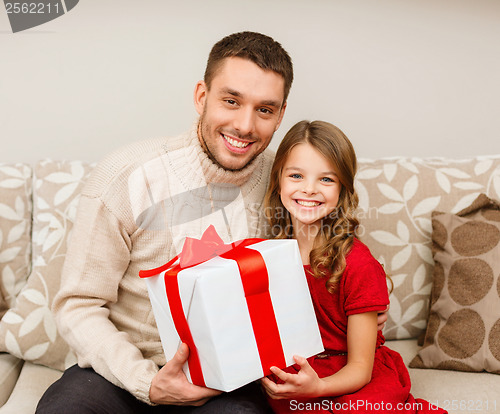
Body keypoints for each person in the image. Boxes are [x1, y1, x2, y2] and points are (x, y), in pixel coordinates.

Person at [36, 32, 388, 413]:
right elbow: (78, 304)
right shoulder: (126, 176)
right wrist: (146, 383)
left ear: (281, 114)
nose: (245, 125)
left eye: (265, 110)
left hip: (230, 382)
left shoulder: (288, 184)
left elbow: (331, 256)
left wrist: (366, 307)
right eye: (231, 101)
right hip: (122, 373)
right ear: (202, 96)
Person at [260, 120, 445, 414]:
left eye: (326, 179)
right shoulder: (267, 256)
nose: (309, 189)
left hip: (356, 373)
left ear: (343, 189)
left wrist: (318, 387)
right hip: (304, 371)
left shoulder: (357, 264)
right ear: (278, 181)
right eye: (296, 175)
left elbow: (360, 367)